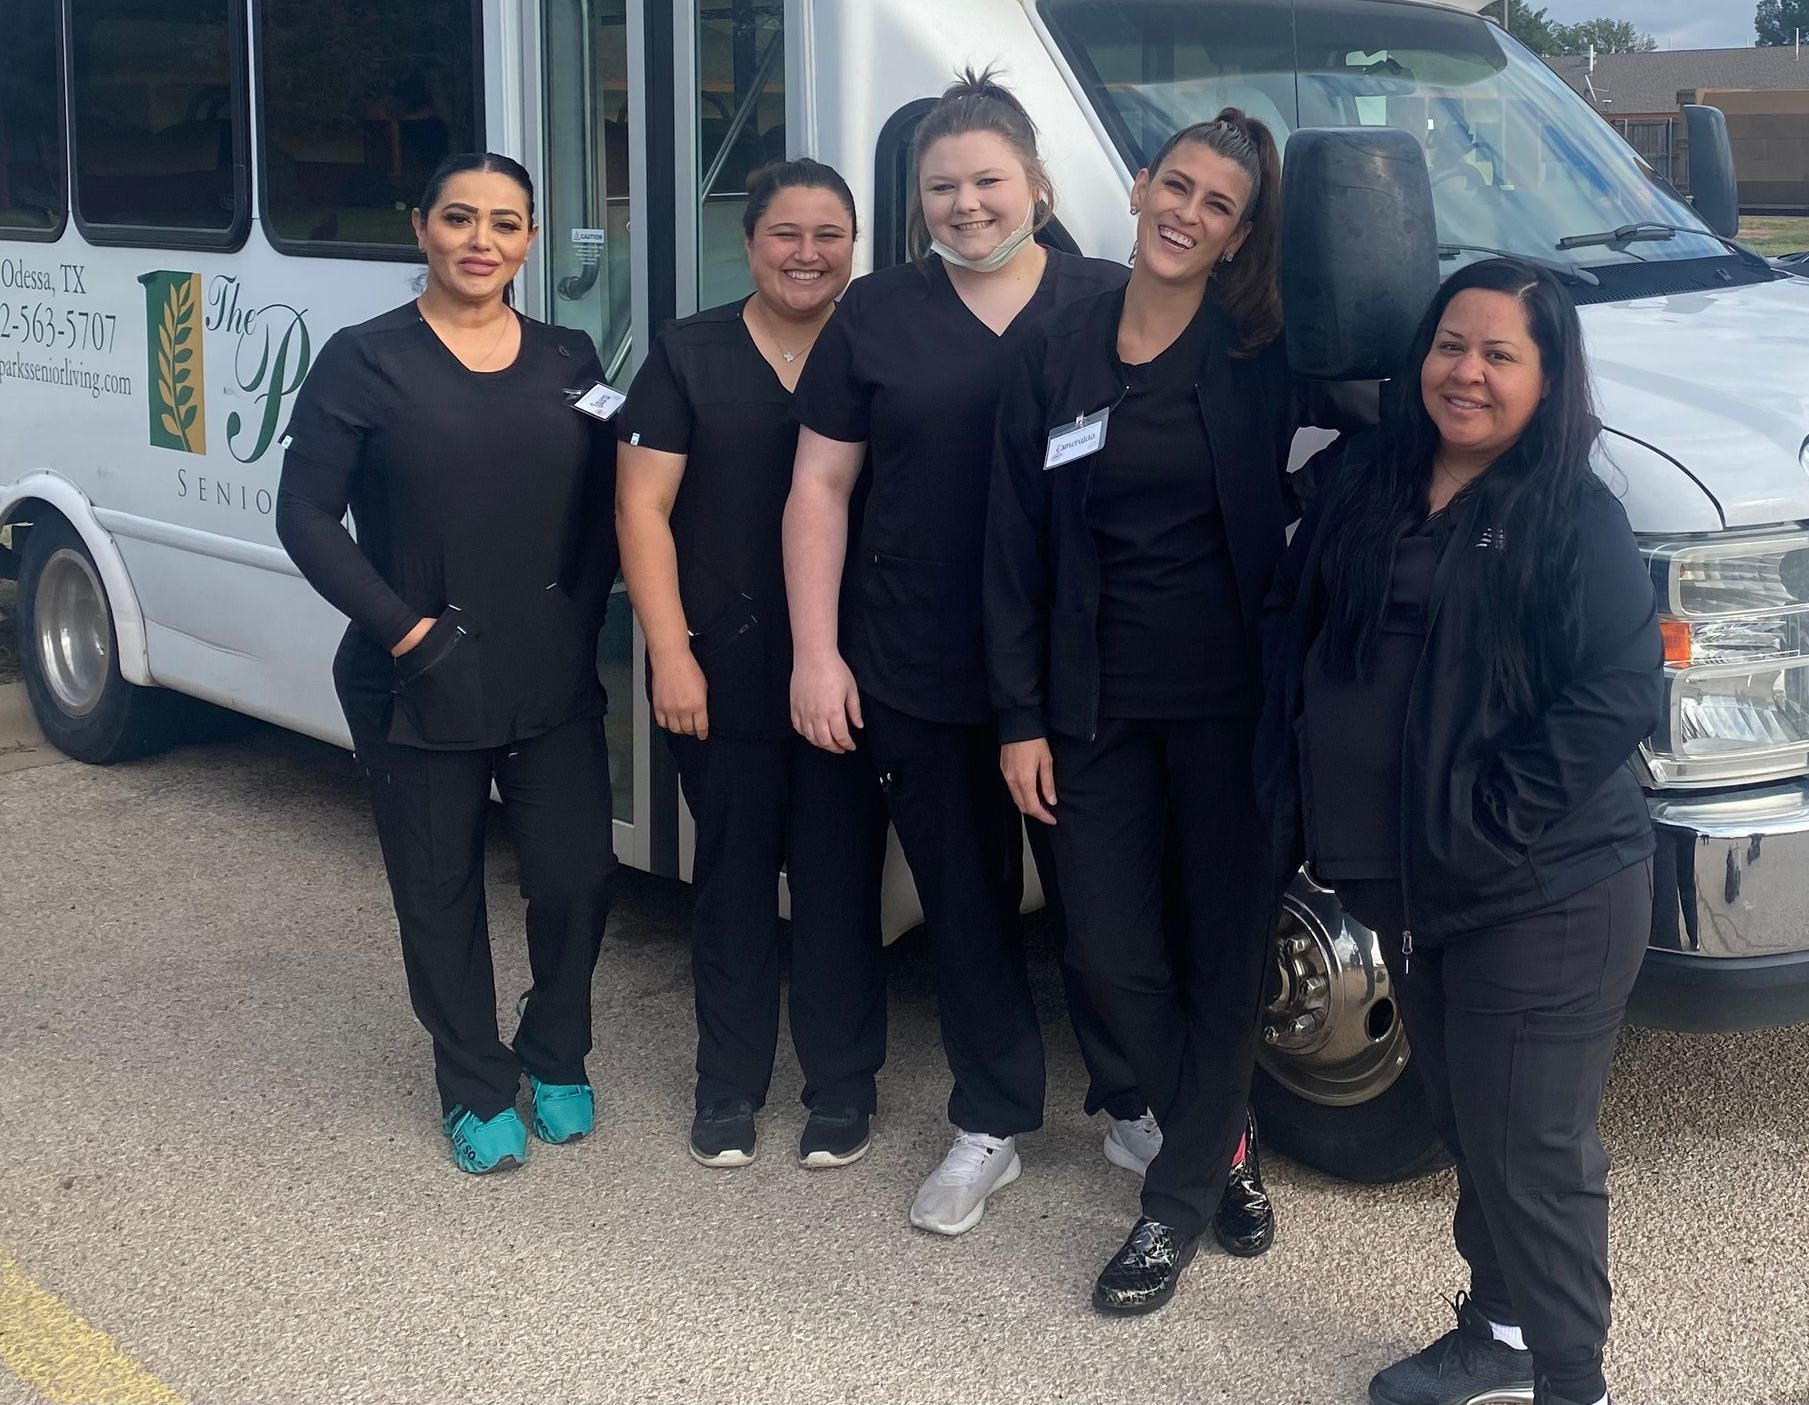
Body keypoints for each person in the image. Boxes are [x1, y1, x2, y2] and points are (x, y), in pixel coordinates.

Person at [1257, 258, 1663, 1405]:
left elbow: (1620, 690)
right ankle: (1498, 1332)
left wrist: (1491, 825)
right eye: (1450, 344)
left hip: (1544, 889)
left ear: (1549, 379)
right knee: (1468, 1122)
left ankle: (1571, 1382)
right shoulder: (1372, 480)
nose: (1467, 372)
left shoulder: (1571, 514)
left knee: (1531, 1150)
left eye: (1500, 354)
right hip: (1405, 882)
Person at [785, 69, 1154, 1237]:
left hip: (1085, 667)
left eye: (989, 180)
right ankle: (988, 1119)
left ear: (1039, 186)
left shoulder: (1113, 298)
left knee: (1102, 900)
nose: (967, 204)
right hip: (916, 658)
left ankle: (1135, 1099)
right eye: (942, 187)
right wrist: (815, 653)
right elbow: (820, 487)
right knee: (966, 900)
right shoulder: (876, 315)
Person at [986, 108, 1295, 1315]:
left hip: (1229, 706)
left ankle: (1173, 1204)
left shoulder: (1262, 350)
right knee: (1109, 951)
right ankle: (1223, 1143)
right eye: (1178, 186)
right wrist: (1018, 717)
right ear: (1136, 186)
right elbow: (1010, 548)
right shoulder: (1053, 349)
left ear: (1240, 235)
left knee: (1224, 951)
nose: (1188, 215)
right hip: (1090, 708)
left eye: (1218, 205)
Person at [276, 152, 619, 1175]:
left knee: (577, 878)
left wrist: (581, 612)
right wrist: (407, 631)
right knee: (437, 888)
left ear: (532, 241)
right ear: (420, 225)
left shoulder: (572, 356)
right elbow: (305, 516)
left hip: (548, 671)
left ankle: (554, 1046)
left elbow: (610, 505)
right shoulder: (363, 359)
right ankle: (471, 1083)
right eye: (461, 219)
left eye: (506, 224)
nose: (483, 241)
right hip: (416, 674)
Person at [615, 159, 888, 1172]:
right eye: (786, 233)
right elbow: (640, 510)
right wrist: (669, 653)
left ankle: (842, 1087)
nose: (807, 255)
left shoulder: (877, 347)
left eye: (829, 235)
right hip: (717, 670)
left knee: (836, 884)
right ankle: (727, 1086)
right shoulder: (690, 352)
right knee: (731, 885)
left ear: (853, 247)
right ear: (750, 242)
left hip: (849, 673)